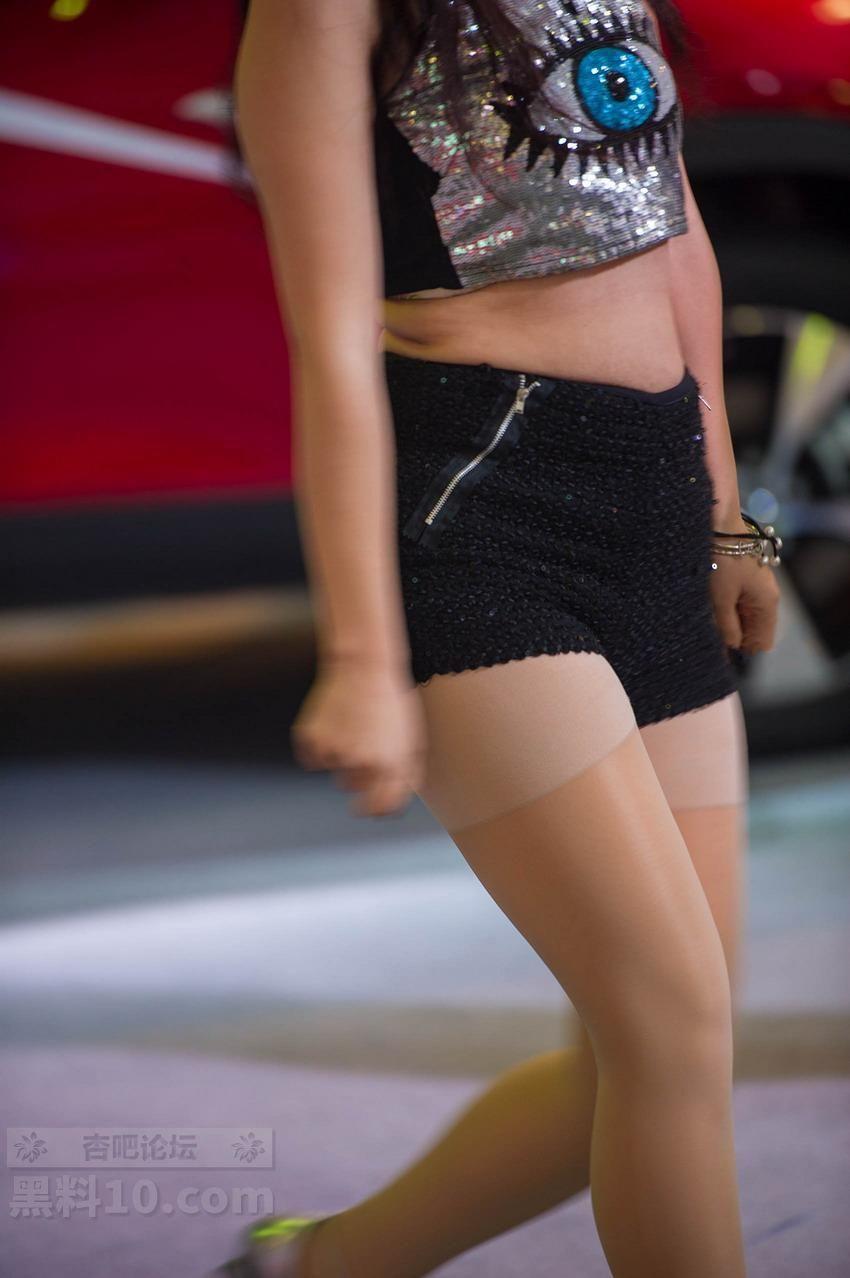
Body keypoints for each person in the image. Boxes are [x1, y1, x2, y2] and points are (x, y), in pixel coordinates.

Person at [219, 1, 781, 1274]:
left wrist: (724, 515)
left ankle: (311, 1268)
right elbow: (330, 351)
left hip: (651, 500)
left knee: (653, 1053)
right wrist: (362, 662)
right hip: (482, 511)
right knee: (669, 1029)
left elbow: (674, 231)